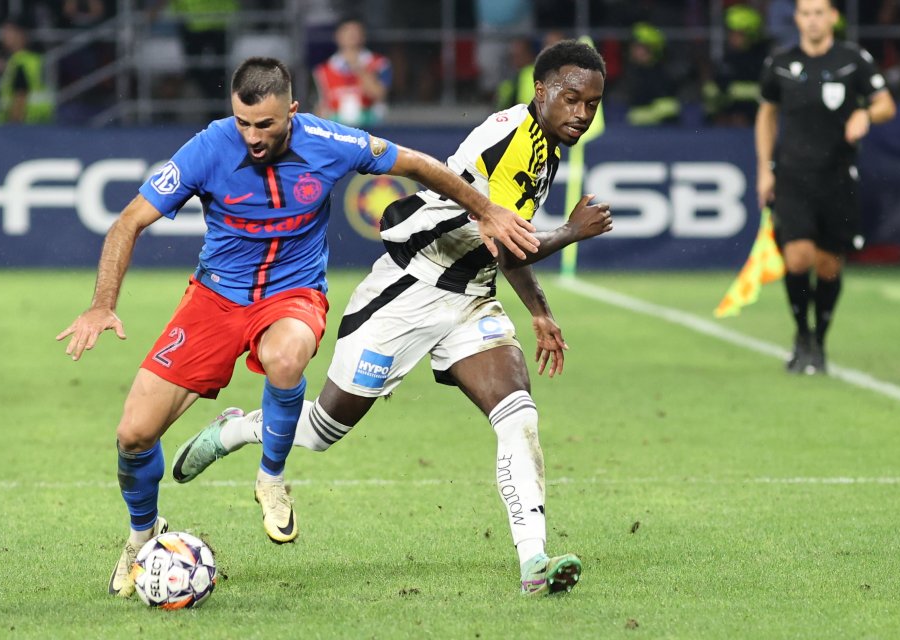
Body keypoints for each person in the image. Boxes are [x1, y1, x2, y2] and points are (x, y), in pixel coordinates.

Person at [55, 56, 541, 598]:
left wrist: (487, 211)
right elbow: (128, 222)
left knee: (288, 358)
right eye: (243, 123)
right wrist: (102, 303)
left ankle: (271, 477)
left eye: (264, 124)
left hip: (293, 294)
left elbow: (421, 164)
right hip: (214, 299)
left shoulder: (329, 142)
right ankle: (142, 536)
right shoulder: (207, 148)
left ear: (292, 111)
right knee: (134, 434)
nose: (252, 137)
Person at [171, 41, 613, 596]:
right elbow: (510, 243)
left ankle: (534, 562)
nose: (581, 114)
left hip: (471, 295)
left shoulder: (546, 145)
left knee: (518, 414)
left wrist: (540, 313)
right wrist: (573, 232)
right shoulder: (511, 143)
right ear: (540, 90)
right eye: (572, 99)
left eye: (592, 105)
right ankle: (237, 429)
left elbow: (502, 241)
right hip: (410, 289)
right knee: (321, 430)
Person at [755, 0, 896, 374]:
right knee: (798, 256)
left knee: (829, 265)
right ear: (797, 19)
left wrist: (865, 112)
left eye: (820, 12)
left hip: (837, 177)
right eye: (806, 13)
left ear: (833, 17)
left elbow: (886, 105)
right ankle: (802, 335)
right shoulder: (780, 63)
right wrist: (764, 170)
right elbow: (767, 113)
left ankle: (820, 339)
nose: (813, 20)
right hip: (792, 176)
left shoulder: (853, 60)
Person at [312, 17, 391, 127]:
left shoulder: (379, 63)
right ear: (337, 36)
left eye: (356, 32)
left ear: (363, 36)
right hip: (336, 128)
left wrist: (358, 67)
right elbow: (321, 106)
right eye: (347, 31)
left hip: (371, 127)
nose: (352, 36)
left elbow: (378, 94)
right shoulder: (322, 70)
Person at [703, 4, 769, 127]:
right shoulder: (728, 58)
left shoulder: (764, 59)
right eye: (730, 32)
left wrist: (731, 90)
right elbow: (715, 90)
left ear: (751, 34)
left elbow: (768, 93)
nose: (731, 37)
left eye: (737, 33)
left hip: (753, 121)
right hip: (725, 122)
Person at [0, 17, 55, 125]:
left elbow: (20, 98)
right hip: (38, 126)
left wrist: (13, 126)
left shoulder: (21, 63)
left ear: (20, 34)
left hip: (23, 128)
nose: (3, 36)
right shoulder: (34, 59)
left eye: (8, 31)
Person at [622, 22, 681, 126]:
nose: (632, 50)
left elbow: (669, 111)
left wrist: (636, 117)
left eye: (637, 46)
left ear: (650, 50)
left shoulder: (660, 77)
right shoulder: (637, 73)